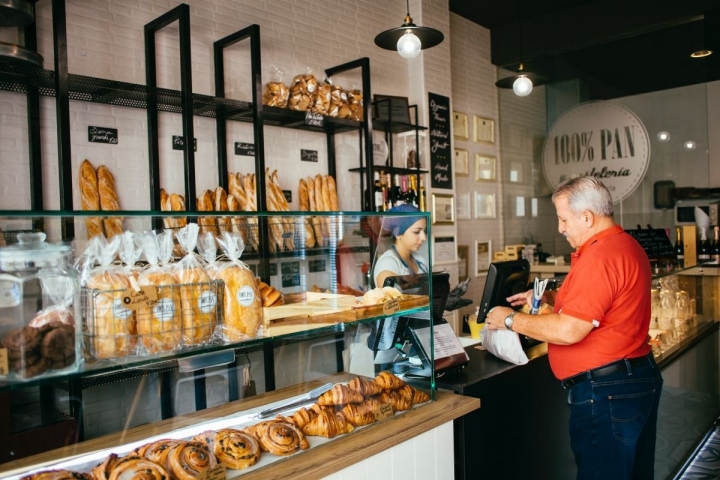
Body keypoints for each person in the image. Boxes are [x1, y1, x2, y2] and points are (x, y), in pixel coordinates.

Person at [486, 176, 663, 480]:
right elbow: (602, 304)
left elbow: (570, 330)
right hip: (631, 381)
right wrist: (552, 298)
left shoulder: (601, 257)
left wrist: (508, 319)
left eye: (563, 219)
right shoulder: (623, 245)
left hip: (607, 391)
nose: (560, 227)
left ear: (587, 217)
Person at [373, 204, 428, 288]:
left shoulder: (420, 260)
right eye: (417, 232)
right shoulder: (387, 263)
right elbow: (391, 297)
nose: (424, 237)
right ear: (398, 233)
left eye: (424, 231)